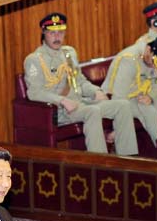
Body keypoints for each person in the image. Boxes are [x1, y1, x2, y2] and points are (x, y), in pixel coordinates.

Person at [23, 13, 138, 156]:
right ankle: (100, 162)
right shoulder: (34, 59)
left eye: (60, 32)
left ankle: (127, 158)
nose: (57, 37)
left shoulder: (69, 53)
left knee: (122, 105)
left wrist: (96, 92)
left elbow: (80, 81)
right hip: (60, 111)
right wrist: (62, 100)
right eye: (52, 33)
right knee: (93, 112)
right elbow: (34, 93)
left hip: (80, 103)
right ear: (44, 33)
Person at [103, 35, 157, 144]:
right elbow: (118, 97)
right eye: (155, 62)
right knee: (148, 110)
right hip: (119, 99)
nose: (155, 67)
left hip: (143, 95)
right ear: (149, 50)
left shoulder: (155, 57)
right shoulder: (129, 59)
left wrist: (151, 97)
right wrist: (118, 129)